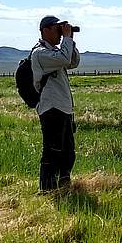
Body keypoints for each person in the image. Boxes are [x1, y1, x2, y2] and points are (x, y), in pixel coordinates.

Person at [31, 15, 81, 191]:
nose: (60, 33)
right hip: (51, 108)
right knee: (53, 150)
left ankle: (64, 185)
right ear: (46, 30)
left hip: (63, 107)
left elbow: (73, 62)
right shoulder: (40, 53)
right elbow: (65, 59)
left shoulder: (55, 52)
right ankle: (47, 189)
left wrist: (70, 40)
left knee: (68, 152)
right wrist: (66, 38)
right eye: (56, 29)